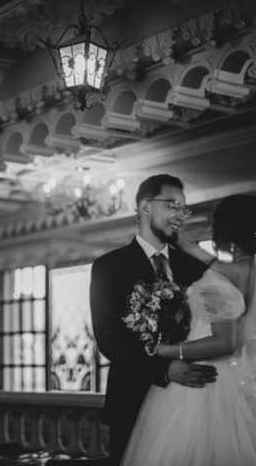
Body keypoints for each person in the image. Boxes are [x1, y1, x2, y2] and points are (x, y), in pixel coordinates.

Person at [121, 194, 256, 465]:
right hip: (251, 379)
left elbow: (226, 343)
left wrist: (166, 350)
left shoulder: (225, 276)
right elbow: (206, 259)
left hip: (214, 382)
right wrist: (178, 239)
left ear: (225, 228)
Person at [89, 174, 217, 465]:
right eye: (173, 205)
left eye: (184, 209)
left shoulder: (195, 266)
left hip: (192, 402)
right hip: (132, 401)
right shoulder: (109, 267)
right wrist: (164, 369)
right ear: (146, 206)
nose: (180, 216)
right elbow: (109, 339)